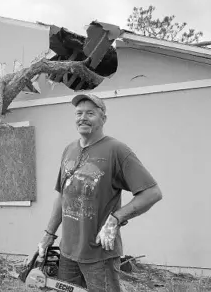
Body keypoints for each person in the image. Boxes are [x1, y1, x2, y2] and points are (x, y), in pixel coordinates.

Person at [38, 94, 162, 292]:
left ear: (103, 119)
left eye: (90, 113)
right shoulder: (69, 150)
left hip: (99, 255)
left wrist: (116, 218)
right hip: (67, 252)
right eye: (79, 113)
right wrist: (48, 234)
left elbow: (152, 193)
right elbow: (62, 196)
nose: (83, 118)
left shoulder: (117, 150)